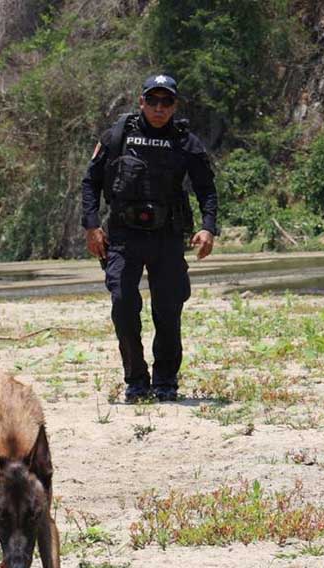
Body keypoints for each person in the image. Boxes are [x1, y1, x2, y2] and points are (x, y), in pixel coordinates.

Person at [80, 74, 219, 403]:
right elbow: (91, 182)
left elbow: (206, 189)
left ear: (174, 105)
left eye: (166, 102)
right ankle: (136, 380)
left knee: (168, 311)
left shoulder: (186, 142)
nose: (159, 108)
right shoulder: (117, 136)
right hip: (123, 237)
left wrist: (208, 227)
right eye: (152, 101)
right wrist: (91, 226)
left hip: (168, 237)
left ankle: (166, 381)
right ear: (141, 102)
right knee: (123, 306)